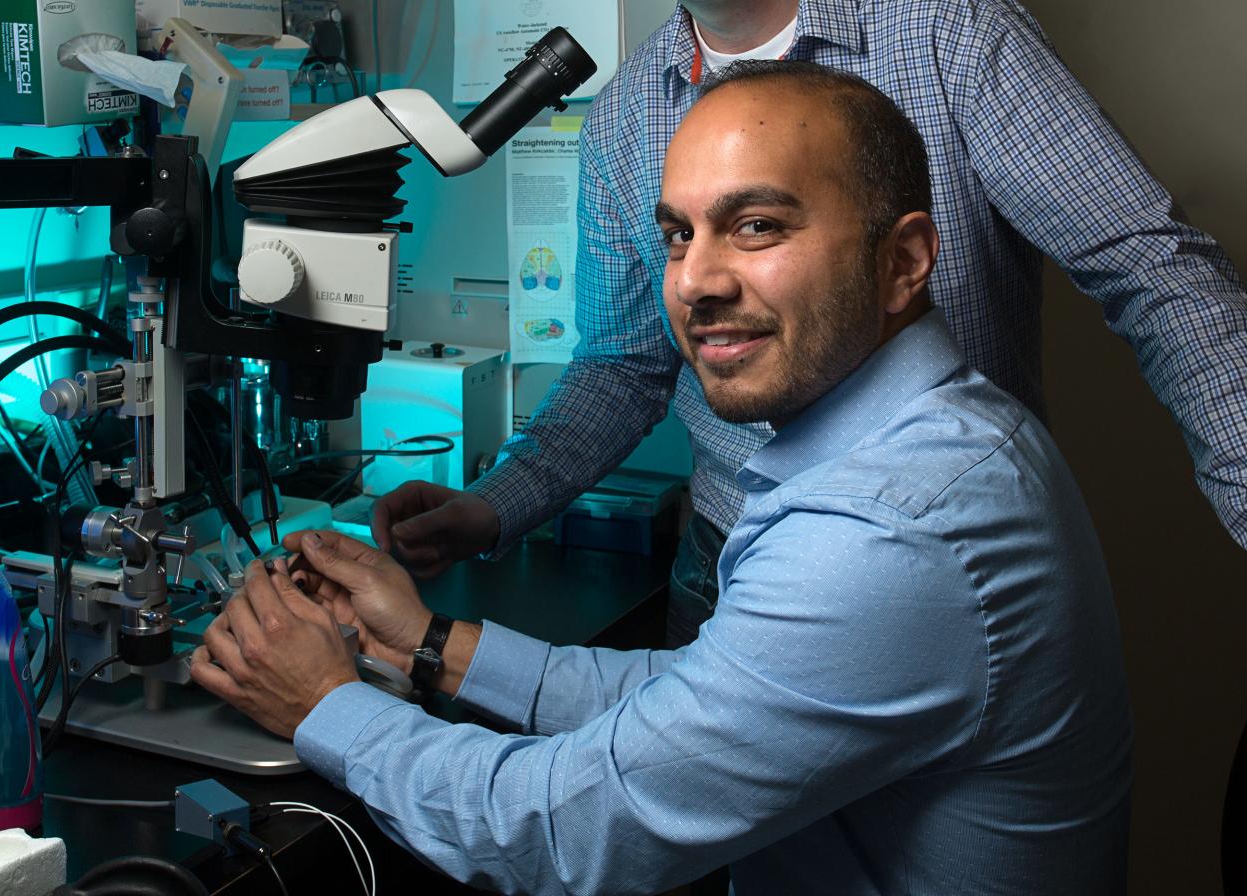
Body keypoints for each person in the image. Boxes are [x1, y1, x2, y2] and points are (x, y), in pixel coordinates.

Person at [370, 0, 1247, 639]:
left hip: (933, 562)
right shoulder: (626, 118)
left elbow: (1155, 274)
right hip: (730, 563)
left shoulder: (953, 39)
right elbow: (623, 364)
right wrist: (498, 502)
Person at [192, 64, 1133, 895]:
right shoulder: (929, 435)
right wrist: (430, 642)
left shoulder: (885, 531)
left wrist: (326, 704)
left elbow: (556, 834)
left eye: (756, 226)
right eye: (680, 236)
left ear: (903, 262)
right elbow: (703, 700)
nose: (694, 282)